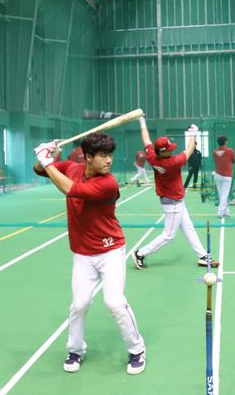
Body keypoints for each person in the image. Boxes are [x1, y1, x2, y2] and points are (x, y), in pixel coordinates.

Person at [33, 133, 146, 375]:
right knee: (79, 304)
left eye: (110, 155)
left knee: (114, 302)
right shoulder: (71, 168)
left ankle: (137, 349)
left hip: (110, 250)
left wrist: (48, 161)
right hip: (83, 253)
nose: (109, 160)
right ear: (88, 157)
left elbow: (70, 189)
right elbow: (39, 170)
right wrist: (47, 154)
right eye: (103, 156)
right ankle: (75, 350)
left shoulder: (108, 184)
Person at [132, 119, 218, 270]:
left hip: (175, 200)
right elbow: (189, 150)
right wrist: (193, 133)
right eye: (169, 149)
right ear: (162, 151)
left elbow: (146, 139)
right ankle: (140, 253)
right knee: (168, 235)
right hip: (173, 203)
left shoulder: (152, 156)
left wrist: (142, 121)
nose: (171, 150)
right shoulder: (172, 162)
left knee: (189, 228)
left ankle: (202, 256)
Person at [212, 135, 235, 218]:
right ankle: (220, 212)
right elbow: (234, 161)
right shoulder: (230, 151)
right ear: (225, 142)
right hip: (227, 176)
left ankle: (226, 211)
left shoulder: (214, 152)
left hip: (217, 176)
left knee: (221, 194)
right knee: (224, 194)